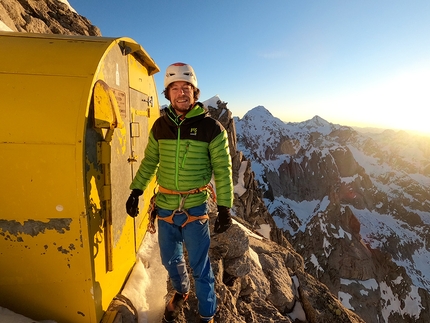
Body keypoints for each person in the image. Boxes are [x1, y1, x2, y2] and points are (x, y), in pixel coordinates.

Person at [126, 62, 233, 323]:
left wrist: (225, 208)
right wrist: (136, 190)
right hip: (165, 207)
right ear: (168, 94)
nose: (181, 93)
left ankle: (207, 315)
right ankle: (182, 291)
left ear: (195, 93)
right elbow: (150, 161)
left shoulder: (212, 129)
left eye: (186, 87)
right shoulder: (160, 127)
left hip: (195, 208)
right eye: (174, 88)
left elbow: (223, 170)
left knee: (200, 267)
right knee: (170, 259)